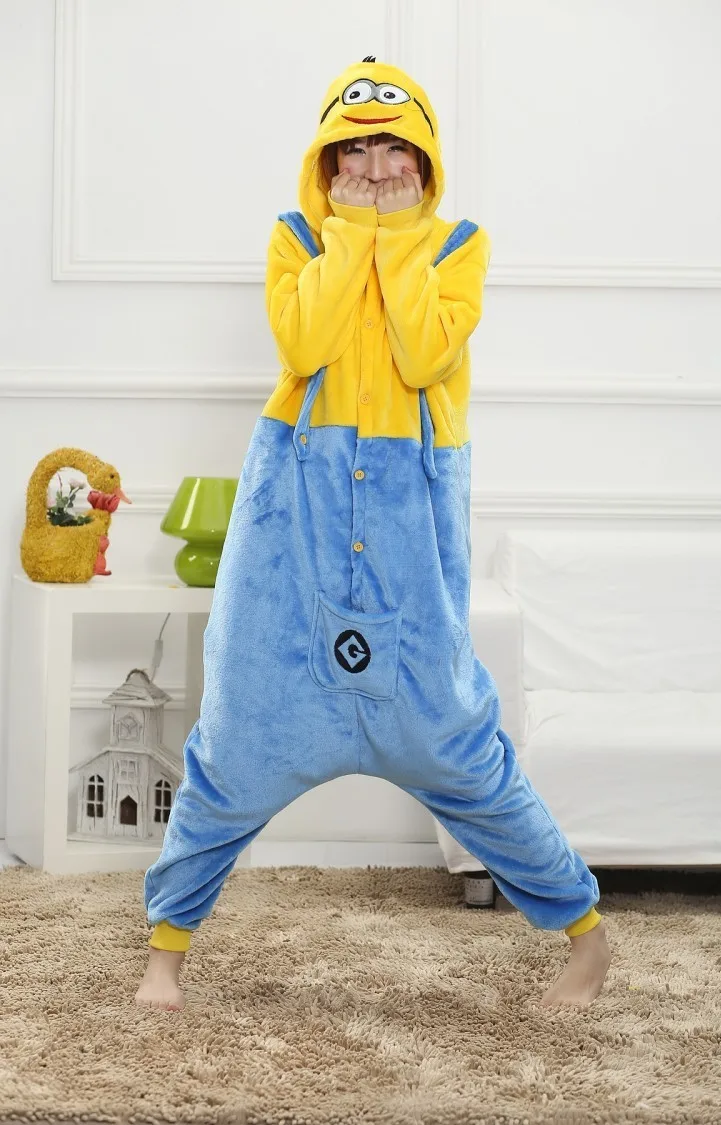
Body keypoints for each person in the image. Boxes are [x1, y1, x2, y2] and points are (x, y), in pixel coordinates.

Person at [134, 58, 611, 1012]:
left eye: (397, 148)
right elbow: (305, 344)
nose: (378, 166)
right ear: (328, 161)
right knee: (234, 742)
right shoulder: (296, 239)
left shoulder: (459, 247)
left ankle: (587, 940)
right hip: (292, 537)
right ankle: (164, 954)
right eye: (356, 150)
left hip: (407, 551)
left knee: (466, 751)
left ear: (425, 160)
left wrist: (392, 241)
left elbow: (423, 351)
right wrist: (351, 235)